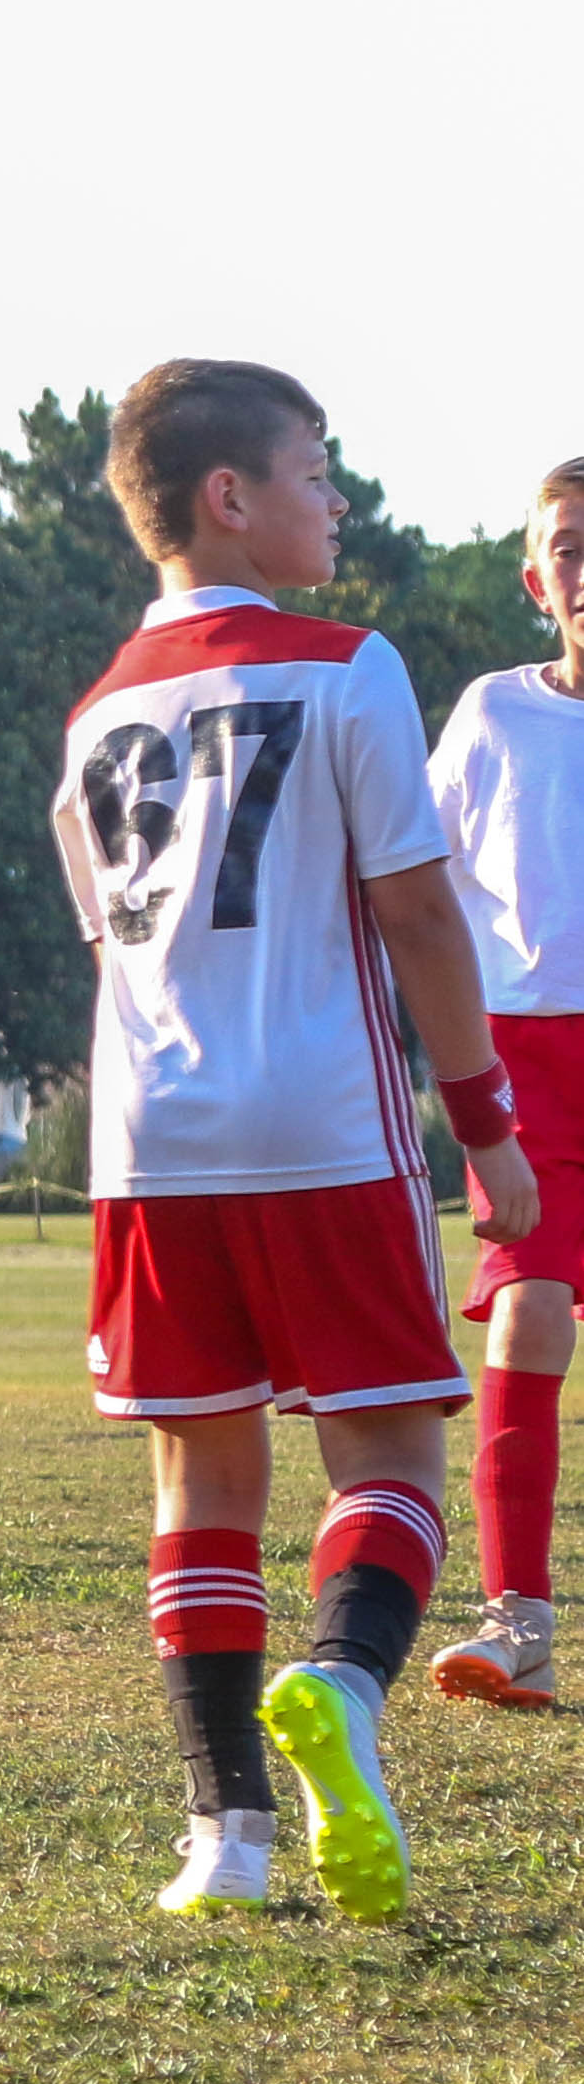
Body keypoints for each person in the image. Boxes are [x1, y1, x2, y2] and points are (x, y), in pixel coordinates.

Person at [53, 360, 535, 1923]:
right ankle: (341, 1682)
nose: (335, 500)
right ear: (229, 498)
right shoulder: (348, 669)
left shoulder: (95, 716)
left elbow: (113, 945)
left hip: (149, 1144)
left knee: (199, 1474)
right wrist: (487, 1126)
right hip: (319, 1121)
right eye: (313, 471)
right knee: (389, 1453)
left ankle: (226, 1841)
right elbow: (418, 916)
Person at [423, 454, 584, 1711]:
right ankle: (516, 1615)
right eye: (569, 546)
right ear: (537, 579)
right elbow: (412, 881)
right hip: (532, 1060)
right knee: (528, 1309)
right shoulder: (493, 715)